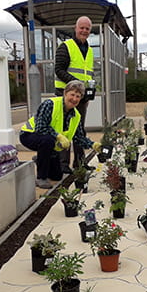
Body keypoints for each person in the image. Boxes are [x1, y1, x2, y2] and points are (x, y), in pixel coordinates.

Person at [21, 80, 101, 189]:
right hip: (29, 135)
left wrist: (93, 145)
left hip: (50, 141)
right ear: (65, 93)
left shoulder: (76, 116)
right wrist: (59, 136)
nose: (74, 99)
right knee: (47, 140)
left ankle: (41, 159)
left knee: (57, 176)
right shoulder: (50, 104)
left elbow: (78, 138)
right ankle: (41, 177)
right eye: (72, 94)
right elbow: (41, 128)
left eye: (78, 96)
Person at [54, 15, 94, 173]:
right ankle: (63, 164)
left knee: (79, 129)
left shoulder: (89, 50)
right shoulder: (66, 46)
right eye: (82, 28)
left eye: (87, 29)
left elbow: (88, 74)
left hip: (81, 97)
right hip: (65, 96)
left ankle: (80, 162)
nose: (84, 31)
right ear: (75, 29)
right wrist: (77, 85)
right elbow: (59, 70)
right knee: (64, 130)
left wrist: (89, 91)